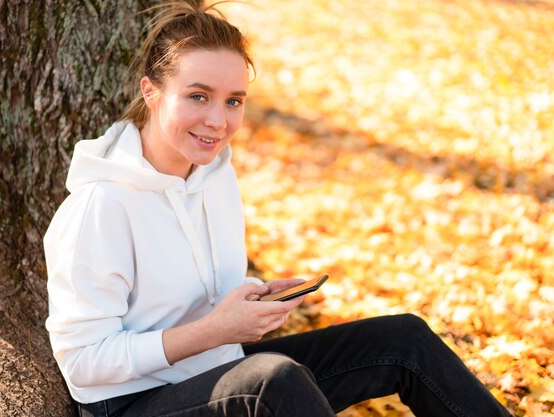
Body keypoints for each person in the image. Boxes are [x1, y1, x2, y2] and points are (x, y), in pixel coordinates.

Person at [44, 1, 512, 416]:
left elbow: (197, 292)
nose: (218, 120)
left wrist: (253, 298)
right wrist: (215, 330)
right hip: (132, 402)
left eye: (234, 101)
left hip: (218, 369)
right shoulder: (100, 207)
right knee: (272, 382)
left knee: (403, 340)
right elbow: (84, 362)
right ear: (150, 91)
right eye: (198, 96)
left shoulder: (212, 175)